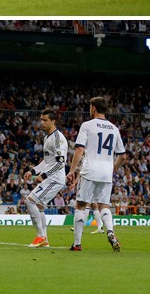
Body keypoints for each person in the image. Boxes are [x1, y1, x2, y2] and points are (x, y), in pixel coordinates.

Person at [66, 96, 126, 252]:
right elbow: (123, 156)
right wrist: (112, 168)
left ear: (93, 107)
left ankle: (77, 244)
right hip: (106, 172)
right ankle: (110, 232)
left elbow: (79, 149)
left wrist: (72, 171)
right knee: (103, 205)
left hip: (90, 170)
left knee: (81, 204)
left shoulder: (87, 125)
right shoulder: (114, 128)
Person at [23, 109, 68, 248]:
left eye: (45, 120)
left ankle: (40, 236)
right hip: (51, 176)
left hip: (55, 178)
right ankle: (45, 240)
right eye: (41, 120)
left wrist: (43, 175)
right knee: (39, 206)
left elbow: (60, 163)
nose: (41, 122)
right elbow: (47, 161)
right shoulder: (46, 137)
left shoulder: (58, 138)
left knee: (29, 201)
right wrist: (34, 171)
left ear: (53, 121)